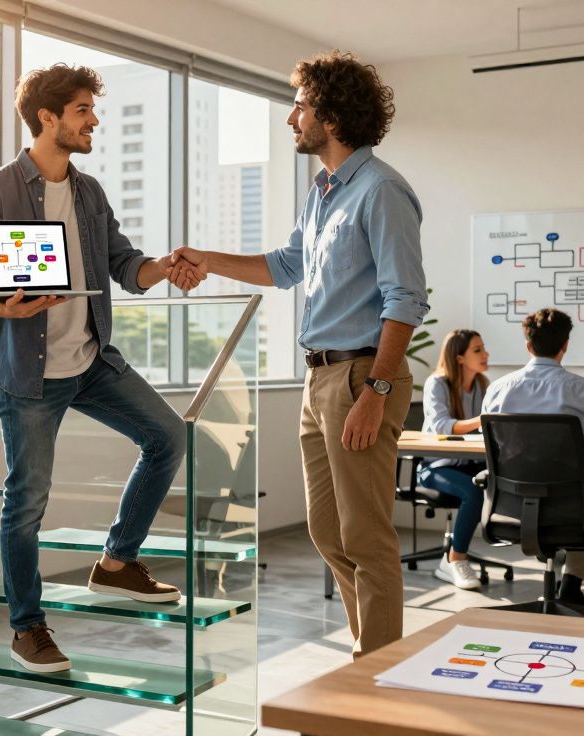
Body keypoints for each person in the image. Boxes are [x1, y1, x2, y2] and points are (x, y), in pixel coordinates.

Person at [170, 51, 428, 654]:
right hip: (320, 380)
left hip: (362, 375)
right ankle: (372, 649)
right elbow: (286, 266)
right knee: (328, 531)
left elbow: (406, 299)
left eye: (300, 106)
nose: (292, 118)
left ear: (331, 116)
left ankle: (376, 669)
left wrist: (376, 391)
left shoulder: (382, 191)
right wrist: (208, 260)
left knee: (365, 535)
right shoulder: (323, 193)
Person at [0, 63, 197, 673]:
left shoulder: (89, 193)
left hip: (91, 360)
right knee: (26, 503)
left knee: (169, 436)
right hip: (28, 375)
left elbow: (124, 265)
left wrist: (162, 267)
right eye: (83, 110)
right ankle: (27, 628)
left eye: (91, 109)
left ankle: (116, 563)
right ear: (47, 117)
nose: (94, 121)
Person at [481, 308, 584, 607]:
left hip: (511, 507)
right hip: (571, 510)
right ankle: (572, 583)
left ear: (528, 345)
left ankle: (566, 583)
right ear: (565, 345)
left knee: (580, 497)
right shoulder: (582, 389)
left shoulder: (497, 389)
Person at [419, 330, 490, 590]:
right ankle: (454, 560)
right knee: (474, 491)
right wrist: (482, 420)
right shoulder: (437, 383)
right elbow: (441, 425)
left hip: (469, 463)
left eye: (483, 348)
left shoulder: (482, 384)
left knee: (506, 478)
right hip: (434, 467)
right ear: (459, 357)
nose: (485, 354)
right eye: (477, 350)